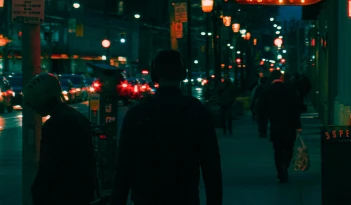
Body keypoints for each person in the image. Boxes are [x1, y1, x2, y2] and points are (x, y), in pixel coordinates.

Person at [110, 50, 222, 205]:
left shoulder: (138, 111)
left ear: (155, 75)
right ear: (183, 74)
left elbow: (124, 164)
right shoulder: (196, 110)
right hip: (184, 197)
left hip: (146, 197)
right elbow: (211, 164)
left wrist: (118, 199)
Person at [23, 72, 95, 205]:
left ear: (44, 97)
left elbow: (48, 167)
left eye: (34, 101)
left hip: (61, 195)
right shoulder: (77, 117)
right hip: (81, 192)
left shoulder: (54, 124)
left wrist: (38, 192)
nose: (33, 108)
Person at [256, 70, 302, 184]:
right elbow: (296, 109)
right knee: (288, 148)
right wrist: (298, 125)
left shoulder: (267, 91)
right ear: (281, 77)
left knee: (277, 150)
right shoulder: (290, 90)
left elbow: (261, 109)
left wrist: (262, 126)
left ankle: (281, 171)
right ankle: (285, 165)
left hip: (275, 125)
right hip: (289, 125)